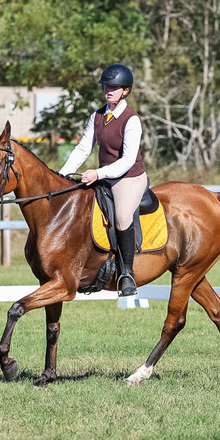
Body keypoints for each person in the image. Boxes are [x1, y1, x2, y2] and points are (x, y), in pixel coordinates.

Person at [59, 63, 147, 297]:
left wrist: (98, 173)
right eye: (106, 86)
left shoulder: (132, 120)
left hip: (129, 178)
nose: (108, 90)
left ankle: (127, 274)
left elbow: (128, 160)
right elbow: (82, 149)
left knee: (121, 216)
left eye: (114, 87)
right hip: (106, 177)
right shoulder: (97, 115)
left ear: (125, 91)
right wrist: (61, 174)